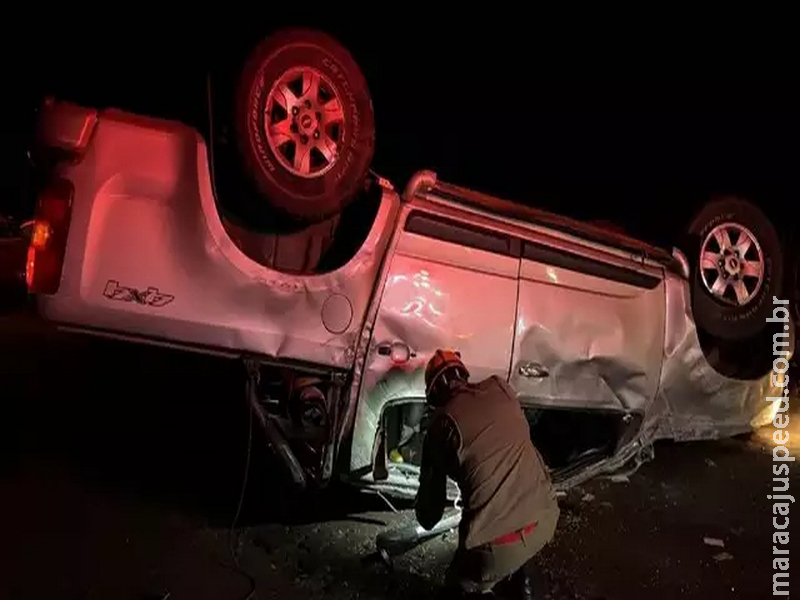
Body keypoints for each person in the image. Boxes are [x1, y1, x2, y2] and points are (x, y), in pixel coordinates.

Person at [415, 349, 560, 600]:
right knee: (518, 536)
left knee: (457, 583)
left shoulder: (442, 425)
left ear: (434, 393)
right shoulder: (501, 389)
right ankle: (522, 579)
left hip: (494, 549)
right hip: (546, 519)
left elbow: (429, 516)